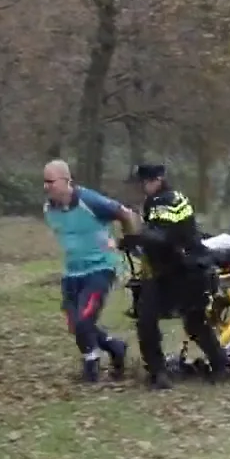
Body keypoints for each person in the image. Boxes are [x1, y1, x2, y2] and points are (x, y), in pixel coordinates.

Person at [121, 162, 230, 390]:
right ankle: (213, 366)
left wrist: (136, 238)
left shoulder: (168, 200)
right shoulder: (160, 199)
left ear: (157, 180)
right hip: (174, 270)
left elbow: (163, 237)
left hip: (182, 271)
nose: (143, 187)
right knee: (187, 321)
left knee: (153, 320)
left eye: (145, 182)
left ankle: (167, 371)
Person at [42, 159, 139, 383]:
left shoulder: (90, 200)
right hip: (72, 272)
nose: (46, 187)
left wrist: (129, 240)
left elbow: (125, 213)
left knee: (85, 319)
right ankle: (115, 347)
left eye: (51, 182)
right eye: (44, 182)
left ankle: (91, 363)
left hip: (101, 268)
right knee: (75, 324)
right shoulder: (49, 208)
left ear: (67, 181)